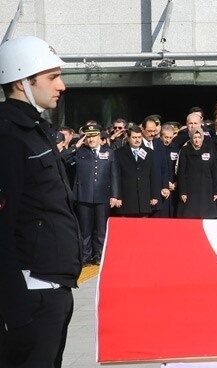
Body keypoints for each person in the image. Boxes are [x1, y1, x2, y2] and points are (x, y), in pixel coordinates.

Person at [0, 35, 82, 368]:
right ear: (22, 82)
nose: (61, 85)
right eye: (52, 77)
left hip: (51, 291)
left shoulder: (35, 130)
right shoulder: (8, 137)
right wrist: (16, 311)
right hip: (30, 296)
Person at [68, 125, 119, 265]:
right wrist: (75, 146)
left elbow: (114, 175)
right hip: (83, 196)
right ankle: (85, 257)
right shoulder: (80, 152)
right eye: (88, 136)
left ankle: (100, 256)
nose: (91, 139)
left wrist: (114, 195)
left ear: (99, 137)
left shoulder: (109, 152)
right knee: (85, 230)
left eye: (94, 136)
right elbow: (63, 159)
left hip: (103, 196)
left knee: (101, 229)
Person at [114, 126, 159, 217]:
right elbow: (116, 177)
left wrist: (154, 195)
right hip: (127, 199)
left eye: (139, 137)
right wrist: (117, 197)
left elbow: (153, 175)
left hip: (144, 199)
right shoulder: (119, 153)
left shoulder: (149, 152)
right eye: (134, 137)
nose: (137, 140)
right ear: (128, 138)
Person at [177, 127, 217, 219]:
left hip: (206, 189)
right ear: (191, 138)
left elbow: (214, 171)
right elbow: (181, 172)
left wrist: (215, 190)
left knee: (206, 216)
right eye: (195, 137)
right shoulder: (185, 150)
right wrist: (182, 192)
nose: (197, 140)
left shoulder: (209, 149)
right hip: (190, 190)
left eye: (199, 137)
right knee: (190, 217)